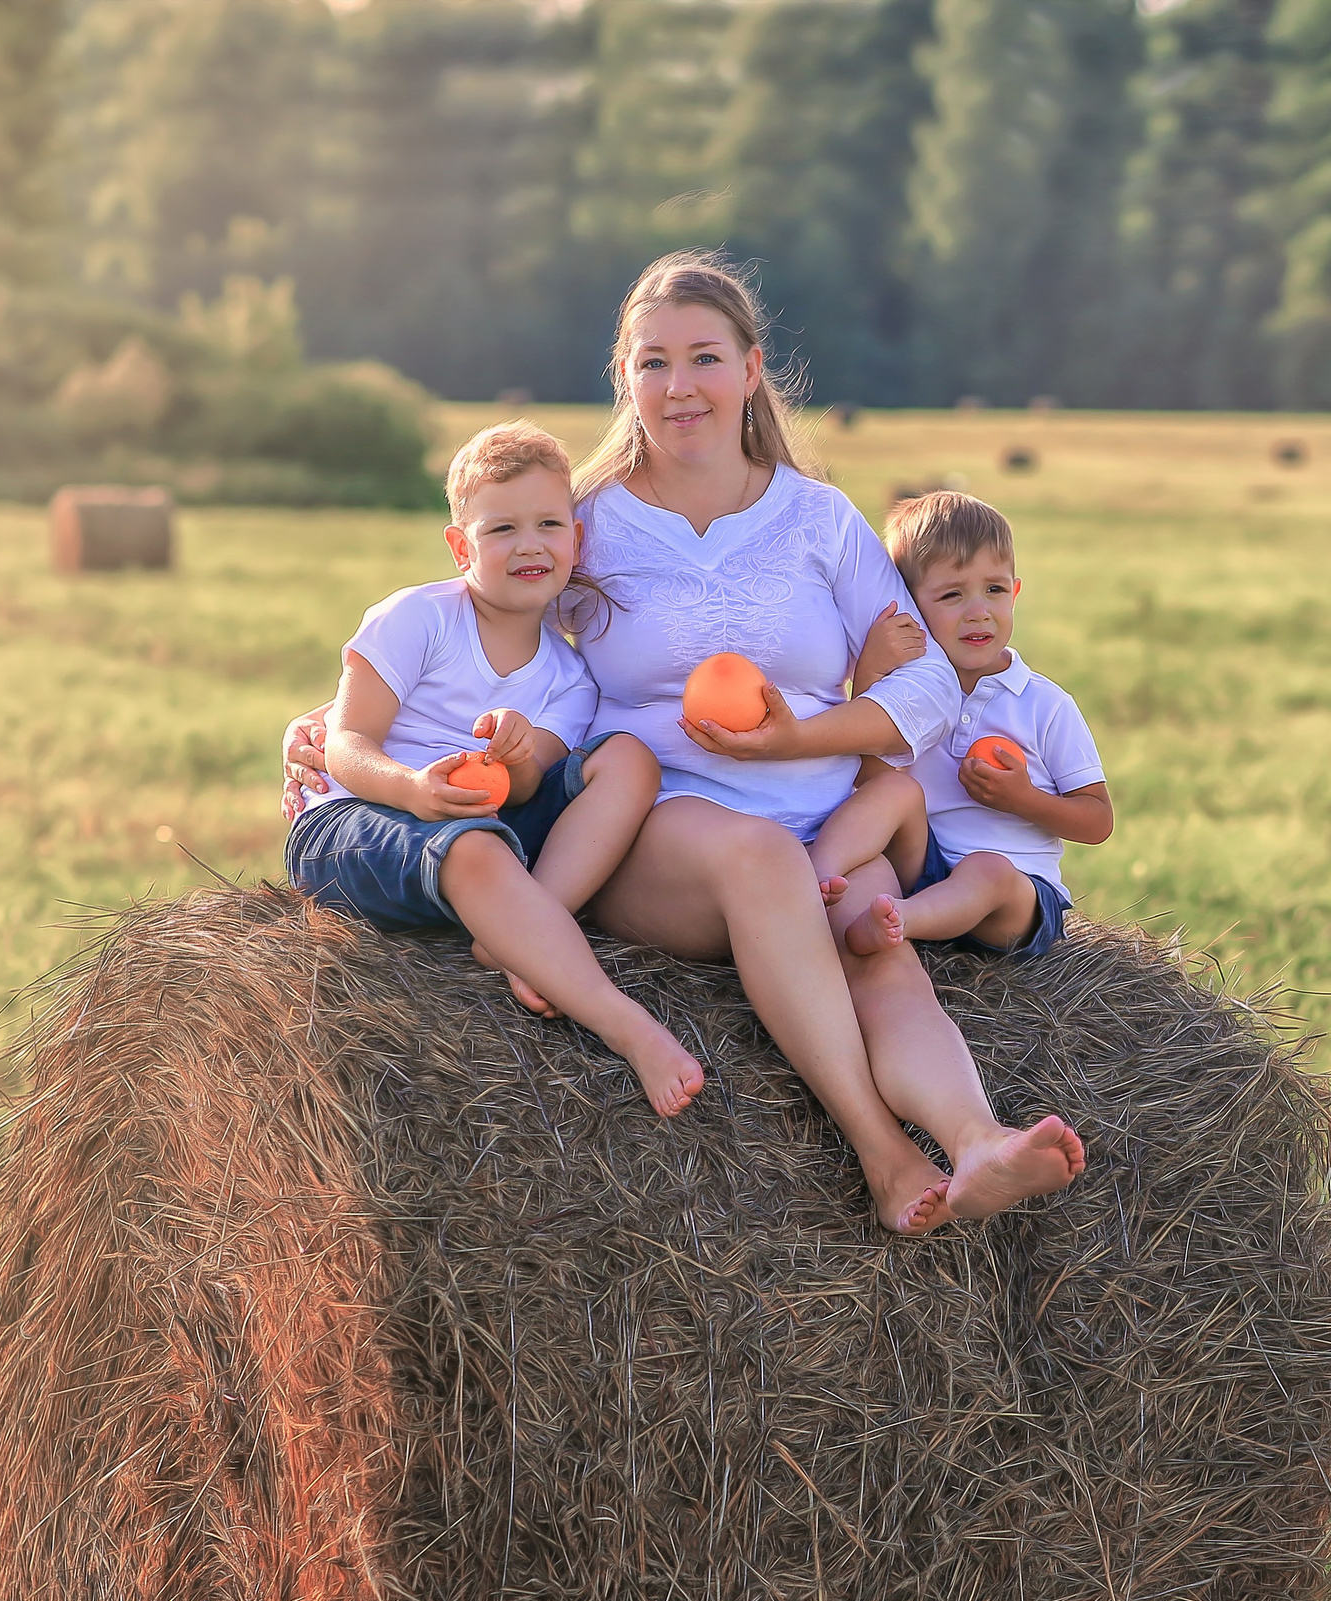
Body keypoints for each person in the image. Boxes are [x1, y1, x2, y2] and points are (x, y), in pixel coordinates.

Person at [286, 251, 1080, 1234]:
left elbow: (922, 682)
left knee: (884, 953)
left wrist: (803, 736)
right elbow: (476, 601)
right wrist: (338, 723)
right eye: (651, 363)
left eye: (703, 358)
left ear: (750, 370)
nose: (679, 387)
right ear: (624, 379)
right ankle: (882, 1155)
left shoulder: (820, 520)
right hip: (657, 826)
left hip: (825, 819)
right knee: (756, 860)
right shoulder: (589, 520)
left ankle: (975, 1144)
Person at [283, 420, 704, 1118]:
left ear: (576, 538)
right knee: (474, 848)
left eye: (547, 524)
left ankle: (516, 937)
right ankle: (625, 1023)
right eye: (501, 529)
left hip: (481, 820)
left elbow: (534, 783)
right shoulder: (415, 619)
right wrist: (414, 791)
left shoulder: (569, 677)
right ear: (460, 546)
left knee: (627, 756)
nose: (530, 544)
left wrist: (519, 754)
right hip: (354, 816)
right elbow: (345, 744)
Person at [805, 491, 1112, 961]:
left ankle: (900, 923)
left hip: (1015, 898)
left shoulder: (1044, 704)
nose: (978, 611)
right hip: (923, 865)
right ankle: (813, 879)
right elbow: (866, 783)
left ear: (1015, 592)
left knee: (986, 870)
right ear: (909, 603)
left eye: (994, 589)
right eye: (952, 595)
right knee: (895, 792)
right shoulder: (909, 694)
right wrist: (870, 677)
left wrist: (1023, 799)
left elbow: (1097, 822)